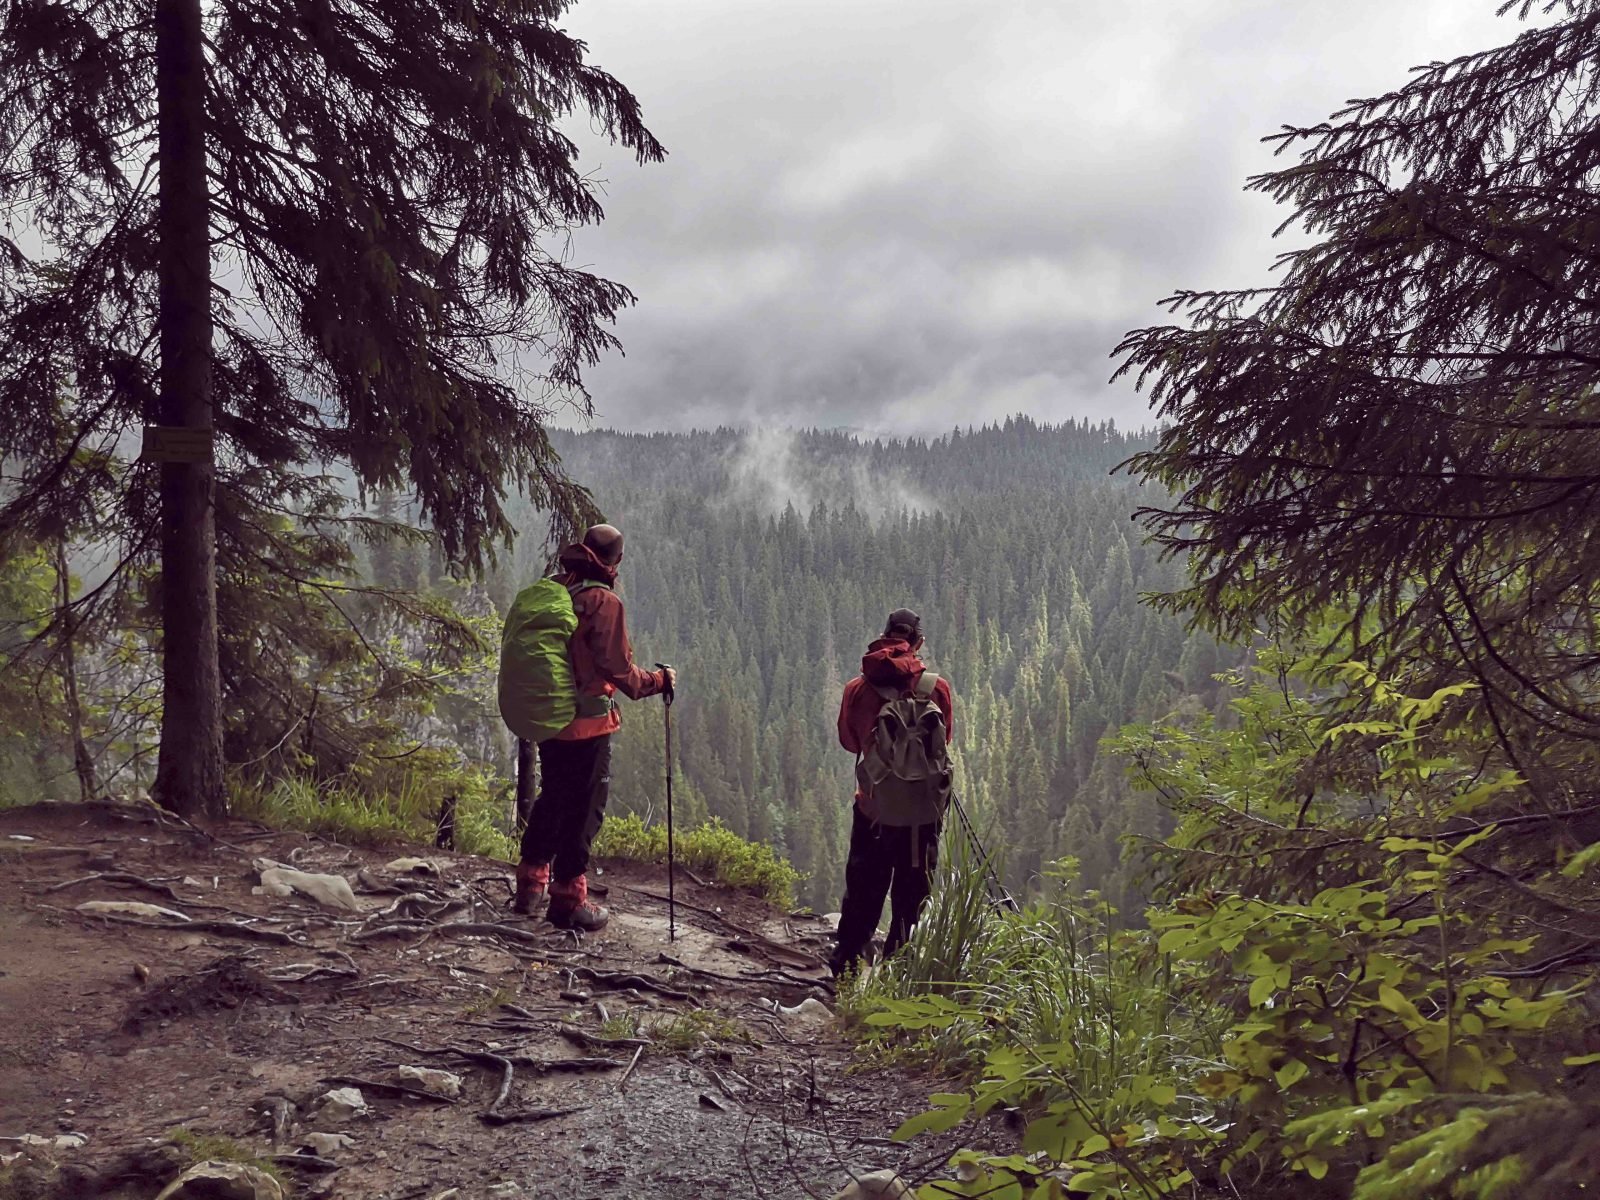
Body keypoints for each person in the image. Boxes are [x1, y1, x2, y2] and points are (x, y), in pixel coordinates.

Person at [512, 523, 675, 931]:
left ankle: (530, 886)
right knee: (584, 810)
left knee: (552, 799)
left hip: (552, 718)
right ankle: (568, 900)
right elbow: (619, 671)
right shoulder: (604, 602)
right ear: (614, 561)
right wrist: (660, 681)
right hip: (588, 725)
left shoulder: (558, 591)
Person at [831, 607, 955, 977]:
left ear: (885, 636)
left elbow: (849, 741)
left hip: (873, 810)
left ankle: (848, 966)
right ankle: (899, 974)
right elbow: (943, 741)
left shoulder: (858, 688)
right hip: (922, 816)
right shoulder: (937, 688)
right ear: (917, 643)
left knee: (863, 891)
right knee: (912, 897)